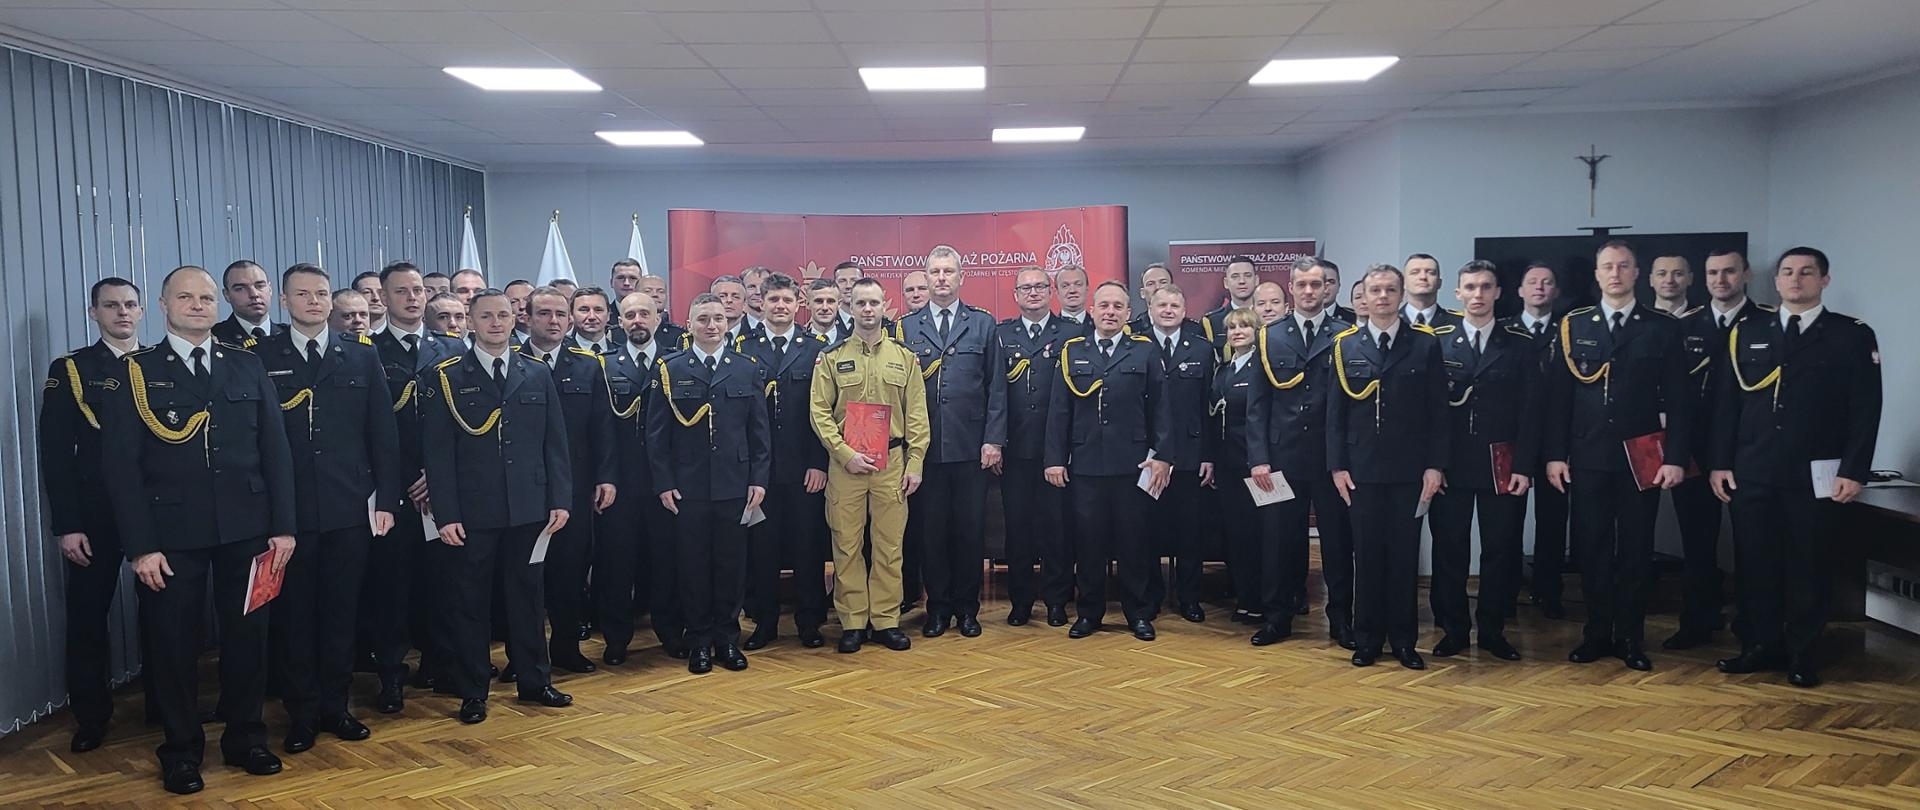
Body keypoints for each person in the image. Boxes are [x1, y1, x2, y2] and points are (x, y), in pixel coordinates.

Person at [101, 265, 297, 794]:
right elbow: (121, 470)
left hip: (249, 528)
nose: (197, 305)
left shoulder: (246, 364)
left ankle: (246, 738)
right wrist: (140, 547)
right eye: (185, 297)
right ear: (163, 306)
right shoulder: (135, 372)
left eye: (206, 297)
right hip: (171, 534)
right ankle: (181, 750)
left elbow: (275, 452)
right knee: (172, 645)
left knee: (248, 639)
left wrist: (284, 528)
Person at [1711, 247, 1881, 688]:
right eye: (1787, 272)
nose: (1795, 279)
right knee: (1755, 564)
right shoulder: (1747, 331)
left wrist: (1854, 470)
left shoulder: (1850, 335)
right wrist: (1719, 463)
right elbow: (1727, 404)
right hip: (1753, 470)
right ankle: (1759, 646)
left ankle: (1803, 653)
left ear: (1824, 280)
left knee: (1808, 565)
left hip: (1815, 474)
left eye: (1806, 272)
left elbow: (1865, 409)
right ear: (1776, 281)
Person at [251, 264, 402, 752]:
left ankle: (337, 707)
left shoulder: (360, 357)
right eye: (302, 294)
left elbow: (383, 433)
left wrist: (387, 498)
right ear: (284, 303)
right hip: (287, 512)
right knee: (295, 617)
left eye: (320, 293)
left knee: (341, 612)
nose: (313, 301)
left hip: (348, 507)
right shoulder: (259, 357)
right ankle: (302, 713)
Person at [421, 289, 575, 724]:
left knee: (528, 598)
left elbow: (555, 444)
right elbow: (438, 453)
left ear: (516, 320)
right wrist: (446, 513)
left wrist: (560, 499)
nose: (495, 323)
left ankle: (534, 681)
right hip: (473, 511)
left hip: (529, 507)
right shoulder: (446, 375)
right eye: (485, 316)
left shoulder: (536, 372)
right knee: (470, 601)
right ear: (470, 322)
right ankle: (473, 690)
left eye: (503, 315)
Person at [1543, 240, 1693, 672]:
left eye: (1623, 266)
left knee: (1635, 550)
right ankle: (1596, 632)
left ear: (1636, 273)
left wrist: (1676, 457)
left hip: (1641, 458)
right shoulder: (1574, 325)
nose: (1615, 273)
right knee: (1591, 548)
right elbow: (1558, 399)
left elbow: (1681, 402)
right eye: (1607, 266)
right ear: (1596, 274)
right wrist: (1555, 455)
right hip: (1587, 456)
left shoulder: (1661, 328)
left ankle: (1630, 636)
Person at [38, 277, 152, 753]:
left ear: (143, 311)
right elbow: (56, 454)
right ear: (93, 313)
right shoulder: (73, 369)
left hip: (153, 509)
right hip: (95, 512)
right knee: (88, 617)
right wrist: (68, 524)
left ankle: (165, 705)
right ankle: (91, 716)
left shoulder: (159, 364)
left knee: (163, 614)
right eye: (111, 306)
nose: (122, 313)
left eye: (129, 305)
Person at [1327, 264, 1448, 670]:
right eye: (1375, 290)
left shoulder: (1425, 345)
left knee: (1403, 556)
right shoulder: (1345, 346)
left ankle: (1404, 641)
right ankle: (1366, 640)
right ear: (1363, 295)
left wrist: (1435, 466)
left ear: (1401, 295)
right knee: (1366, 556)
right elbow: (1335, 415)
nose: (1382, 297)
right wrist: (1337, 467)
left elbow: (1438, 413)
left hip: (1409, 472)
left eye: (1389, 290)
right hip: (1360, 472)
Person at [646, 293, 770, 674]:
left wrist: (759, 480)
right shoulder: (670, 368)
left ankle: (726, 640)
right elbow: (656, 435)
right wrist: (664, 482)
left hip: (735, 485)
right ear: (689, 323)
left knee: (731, 567)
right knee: (693, 566)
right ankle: (698, 640)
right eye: (703, 319)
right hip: (688, 488)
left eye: (718, 318)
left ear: (727, 323)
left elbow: (759, 433)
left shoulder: (746, 368)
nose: (712, 326)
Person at [1046, 282, 1173, 642]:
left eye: (1118, 306)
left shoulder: (1144, 352)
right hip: (1085, 464)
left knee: (1134, 541)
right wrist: (1054, 459)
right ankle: (1089, 613)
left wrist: (1163, 456)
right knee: (1088, 543)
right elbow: (1059, 411)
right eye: (1104, 306)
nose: (1110, 312)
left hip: (1133, 464)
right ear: (1092, 310)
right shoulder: (1072, 352)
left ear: (1129, 313)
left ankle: (1138, 613)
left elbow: (1161, 409)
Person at [1425, 261, 1538, 662]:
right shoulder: (1436, 341)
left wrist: (1525, 465)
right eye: (1470, 287)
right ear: (1457, 293)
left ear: (1497, 293)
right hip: (1451, 463)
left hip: (1502, 463)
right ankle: (1453, 628)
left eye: (1485, 287)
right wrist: (1432, 465)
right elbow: (1429, 411)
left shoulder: (1520, 343)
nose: (1477, 295)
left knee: (1500, 550)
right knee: (1450, 549)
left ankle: (1492, 629)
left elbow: (1531, 411)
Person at [809, 277, 930, 653]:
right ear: (851, 306)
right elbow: (819, 413)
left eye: (873, 303)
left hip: (891, 463)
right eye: (860, 303)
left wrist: (915, 463)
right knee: (846, 545)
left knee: (889, 546)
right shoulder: (831, 358)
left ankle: (886, 620)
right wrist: (845, 454)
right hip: (846, 467)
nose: (867, 309)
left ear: (884, 306)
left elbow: (917, 417)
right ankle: (853, 621)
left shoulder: (904, 359)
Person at [365, 261, 465, 711]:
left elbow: (464, 426)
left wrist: (436, 477)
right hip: (391, 489)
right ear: (382, 299)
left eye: (418, 290)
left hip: (440, 487)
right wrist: (406, 479)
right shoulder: (365, 350)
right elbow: (369, 430)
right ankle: (390, 675)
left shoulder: (450, 349)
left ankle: (442, 665)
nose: (412, 298)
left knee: (445, 582)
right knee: (392, 586)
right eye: (401, 291)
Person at [895, 245, 1007, 638]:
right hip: (924, 450)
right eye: (935, 272)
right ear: (925, 279)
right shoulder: (907, 328)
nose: (941, 279)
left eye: (948, 272)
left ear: (961, 278)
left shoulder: (983, 325)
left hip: (970, 448)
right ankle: (937, 609)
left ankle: (967, 609)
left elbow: (996, 388)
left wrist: (993, 439)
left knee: (969, 532)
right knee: (931, 533)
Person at [1658, 249, 1761, 650]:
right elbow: (1674, 395)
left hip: (1748, 452)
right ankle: (1698, 621)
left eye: (1730, 272)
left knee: (1753, 545)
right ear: (1703, 278)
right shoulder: (1686, 326)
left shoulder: (1768, 323)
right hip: (1695, 451)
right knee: (1697, 543)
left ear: (1745, 274)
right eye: (1713, 272)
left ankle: (1753, 625)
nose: (1721, 280)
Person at [1246, 258, 1352, 644]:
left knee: (1338, 542)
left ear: (1327, 288)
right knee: (1277, 541)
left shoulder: (1346, 334)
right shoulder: (1270, 336)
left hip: (1331, 460)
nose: (1310, 291)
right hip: (1278, 457)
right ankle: (1277, 617)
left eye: (1317, 284)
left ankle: (1341, 619)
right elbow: (1257, 405)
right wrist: (1258, 458)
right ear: (1291, 287)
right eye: (1302, 284)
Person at [519, 286, 618, 674]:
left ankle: (565, 648)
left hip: (575, 485)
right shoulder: (511, 361)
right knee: (524, 576)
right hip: (524, 486)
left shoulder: (588, 365)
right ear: (526, 318)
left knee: (569, 570)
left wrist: (606, 477)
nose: (554, 321)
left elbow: (603, 429)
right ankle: (524, 655)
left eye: (560, 314)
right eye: (544, 314)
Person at [736, 274, 832, 649]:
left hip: (804, 468)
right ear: (761, 302)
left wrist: (819, 462)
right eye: (773, 299)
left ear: (798, 304)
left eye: (787, 300)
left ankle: (809, 622)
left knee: (807, 546)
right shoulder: (744, 348)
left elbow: (825, 411)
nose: (780, 306)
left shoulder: (816, 348)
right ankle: (766, 622)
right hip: (759, 472)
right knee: (763, 548)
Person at [596, 292, 681, 664]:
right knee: (617, 565)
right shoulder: (603, 365)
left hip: (666, 484)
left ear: (658, 318)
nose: (637, 321)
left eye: (644, 314)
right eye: (630, 315)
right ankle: (616, 638)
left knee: (667, 562)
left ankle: (670, 631)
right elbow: (599, 431)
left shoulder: (677, 362)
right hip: (621, 484)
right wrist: (604, 477)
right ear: (619, 319)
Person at [993, 267, 1080, 627]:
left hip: (1056, 452)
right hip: (1015, 452)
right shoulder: (1001, 334)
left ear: (1051, 292)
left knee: (1056, 528)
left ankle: (1057, 601)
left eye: (1039, 287)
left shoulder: (1073, 334)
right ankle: (1021, 602)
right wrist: (995, 442)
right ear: (1015, 295)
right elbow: (995, 393)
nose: (1033, 293)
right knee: (1018, 530)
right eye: (1025, 288)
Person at [1141, 286, 1215, 622]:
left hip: (1189, 454)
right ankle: (1151, 596)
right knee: (1149, 529)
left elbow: (1209, 408)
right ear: (1150, 308)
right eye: (1162, 305)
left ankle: (1189, 598)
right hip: (1148, 456)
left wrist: (1208, 454)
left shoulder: (1201, 349)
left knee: (1190, 532)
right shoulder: (1137, 346)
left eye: (1175, 305)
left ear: (1185, 310)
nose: (1168, 310)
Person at [1511, 262, 1570, 619]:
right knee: (1508, 520)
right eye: (1532, 282)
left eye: (1547, 282)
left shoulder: (1570, 330)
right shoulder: (1505, 331)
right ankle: (1509, 588)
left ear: (1556, 292)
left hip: (1555, 440)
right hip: (1513, 439)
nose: (1539, 288)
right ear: (1519, 291)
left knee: (1553, 519)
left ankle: (1550, 590)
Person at [1208, 308, 1269, 641]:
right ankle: (1246, 599)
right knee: (1237, 534)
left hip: (1259, 467)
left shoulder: (1263, 367)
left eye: (1245, 326)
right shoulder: (1224, 369)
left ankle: (1266, 601)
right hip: (1229, 465)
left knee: (1264, 535)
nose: (1237, 331)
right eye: (1231, 327)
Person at [211, 259, 284, 343]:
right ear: (227, 295)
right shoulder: (214, 338)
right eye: (240, 289)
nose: (254, 294)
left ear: (270, 289)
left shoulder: (290, 337)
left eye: (260, 286)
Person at [1202, 256, 1258, 353]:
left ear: (1256, 280)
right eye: (1235, 276)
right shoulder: (1212, 322)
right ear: (1226, 283)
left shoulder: (1265, 316)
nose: (1242, 281)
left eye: (1248, 275)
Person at [1401, 253, 1463, 329]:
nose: (1423, 277)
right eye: (1415, 272)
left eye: (1431, 273)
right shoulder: (1391, 321)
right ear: (1403, 282)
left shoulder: (1459, 323)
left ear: (1439, 283)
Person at [710, 275, 760, 343]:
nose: (729, 300)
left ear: (745, 305)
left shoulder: (757, 337)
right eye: (722, 296)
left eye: (735, 297)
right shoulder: (697, 336)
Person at [1128, 262, 1174, 333]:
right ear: (1142, 293)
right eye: (1151, 284)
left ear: (1173, 289)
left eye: (1163, 282)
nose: (1158, 287)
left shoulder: (1193, 329)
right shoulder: (1131, 331)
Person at [570, 285, 616, 354]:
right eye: (584, 310)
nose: (592, 317)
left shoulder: (621, 354)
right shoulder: (560, 355)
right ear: (571, 314)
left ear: (608, 315)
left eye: (598, 310)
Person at [804, 279, 847, 344]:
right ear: (808, 304)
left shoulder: (849, 342)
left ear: (839, 304)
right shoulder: (795, 345)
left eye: (830, 301)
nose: (825, 307)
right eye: (819, 301)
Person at [832, 260, 863, 333]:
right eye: (842, 281)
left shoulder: (879, 323)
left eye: (854, 280)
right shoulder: (826, 323)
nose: (848, 286)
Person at [504, 279, 535, 345]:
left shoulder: (552, 336)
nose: (522, 306)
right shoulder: (502, 343)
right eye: (514, 302)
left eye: (527, 300)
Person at [741, 265, 769, 331]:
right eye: (751, 287)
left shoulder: (787, 328)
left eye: (763, 286)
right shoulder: (731, 330)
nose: (758, 292)